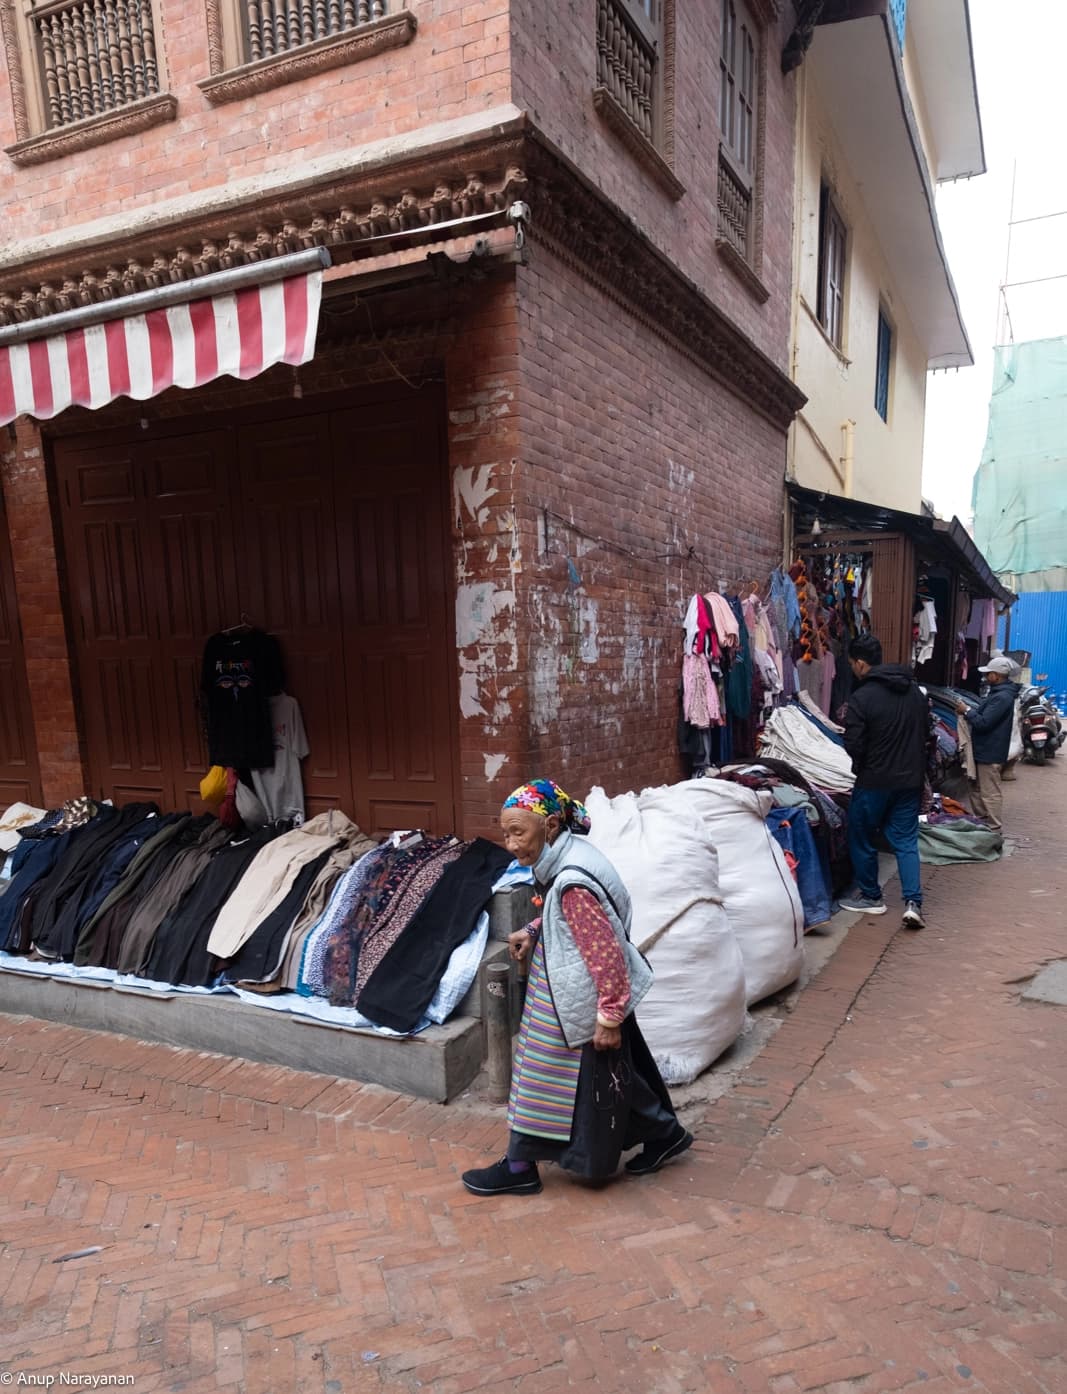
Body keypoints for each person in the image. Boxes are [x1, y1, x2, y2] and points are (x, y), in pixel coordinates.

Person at [461, 779, 692, 1197]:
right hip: (578, 990)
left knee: (543, 1077)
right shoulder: (571, 858)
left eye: (519, 832)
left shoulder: (571, 882)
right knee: (608, 1076)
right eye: (506, 833)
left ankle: (520, 1165)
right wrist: (534, 928)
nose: (511, 844)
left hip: (580, 998)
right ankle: (664, 1134)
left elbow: (605, 954)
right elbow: (575, 925)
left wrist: (608, 1016)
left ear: (549, 825)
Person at [839, 634, 930, 930]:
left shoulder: (862, 698)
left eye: (852, 664)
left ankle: (871, 896)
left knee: (861, 834)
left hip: (874, 781)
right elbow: (926, 736)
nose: (853, 669)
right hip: (910, 780)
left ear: (862, 663)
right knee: (905, 841)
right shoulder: (915, 693)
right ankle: (913, 902)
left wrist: (863, 763)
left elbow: (853, 743)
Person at [957, 655, 1020, 831]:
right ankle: (983, 822)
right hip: (985, 749)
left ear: (997, 676)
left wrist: (967, 710)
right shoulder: (999, 694)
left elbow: (984, 723)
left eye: (989, 674)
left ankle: (993, 827)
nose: (986, 677)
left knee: (989, 791)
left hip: (990, 751)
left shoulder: (1002, 698)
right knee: (976, 788)